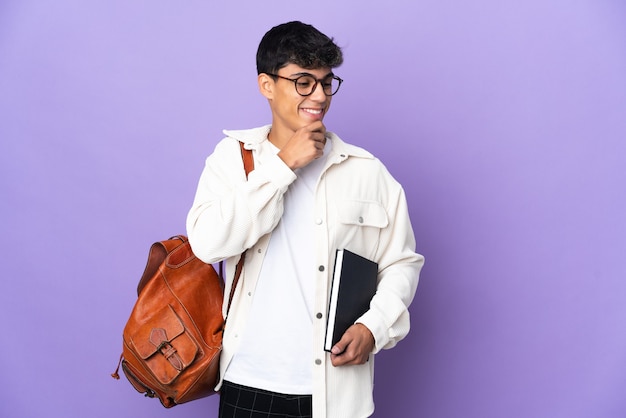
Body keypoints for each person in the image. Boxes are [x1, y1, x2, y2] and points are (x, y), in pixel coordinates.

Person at [186, 21, 424, 418]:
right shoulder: (231, 159)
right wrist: (282, 167)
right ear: (266, 85)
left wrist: (374, 327)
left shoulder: (367, 171)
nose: (319, 96)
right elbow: (208, 243)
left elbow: (402, 262)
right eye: (303, 82)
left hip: (334, 393)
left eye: (325, 82)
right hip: (248, 383)